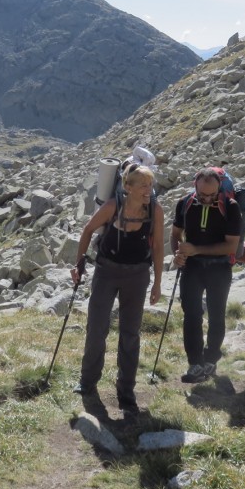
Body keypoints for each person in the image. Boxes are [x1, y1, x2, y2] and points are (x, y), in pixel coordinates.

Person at [70, 163, 164, 416]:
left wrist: (157, 282)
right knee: (96, 328)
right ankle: (87, 382)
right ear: (128, 186)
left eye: (150, 185)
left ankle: (126, 391)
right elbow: (88, 230)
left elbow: (157, 248)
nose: (148, 189)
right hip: (106, 271)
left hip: (137, 275)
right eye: (143, 185)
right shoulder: (113, 206)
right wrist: (78, 264)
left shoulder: (155, 211)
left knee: (130, 333)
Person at [171, 167, 242, 384]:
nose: (208, 199)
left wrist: (195, 250)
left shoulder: (230, 207)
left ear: (219, 188)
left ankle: (211, 358)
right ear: (195, 187)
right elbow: (175, 234)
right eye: (203, 195)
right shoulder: (185, 204)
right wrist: (177, 254)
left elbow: (231, 247)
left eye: (212, 195)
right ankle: (195, 363)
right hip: (192, 267)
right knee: (191, 314)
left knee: (216, 314)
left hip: (219, 268)